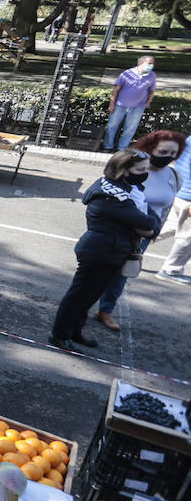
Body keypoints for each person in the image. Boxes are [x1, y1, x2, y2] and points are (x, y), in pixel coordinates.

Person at [49, 149, 160, 351]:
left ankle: (74, 332)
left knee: (89, 297)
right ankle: (59, 335)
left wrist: (149, 226)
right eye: (141, 169)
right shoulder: (111, 194)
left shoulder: (129, 189)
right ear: (124, 170)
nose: (146, 173)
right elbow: (145, 221)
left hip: (111, 251)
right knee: (78, 296)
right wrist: (149, 226)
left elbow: (150, 223)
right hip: (100, 252)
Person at [92, 131, 185, 326]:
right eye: (163, 151)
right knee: (99, 270)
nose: (168, 156)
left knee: (123, 273)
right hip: (120, 230)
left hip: (144, 235)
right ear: (150, 149)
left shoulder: (174, 176)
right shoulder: (133, 169)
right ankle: (80, 306)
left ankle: (105, 310)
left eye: (173, 153)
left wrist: (152, 231)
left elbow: (166, 208)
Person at [155, 143, 191, 286]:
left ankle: (126, 247)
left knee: (172, 226)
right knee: (187, 235)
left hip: (179, 187)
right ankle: (171, 270)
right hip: (188, 195)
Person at [104, 56, 156, 151]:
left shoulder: (152, 75)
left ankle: (122, 148)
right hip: (120, 105)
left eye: (152, 63)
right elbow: (115, 89)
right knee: (112, 126)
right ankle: (107, 146)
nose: (151, 65)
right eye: (149, 63)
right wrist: (112, 104)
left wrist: (148, 101)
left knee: (130, 129)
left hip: (138, 107)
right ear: (141, 63)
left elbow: (151, 91)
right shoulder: (127, 74)